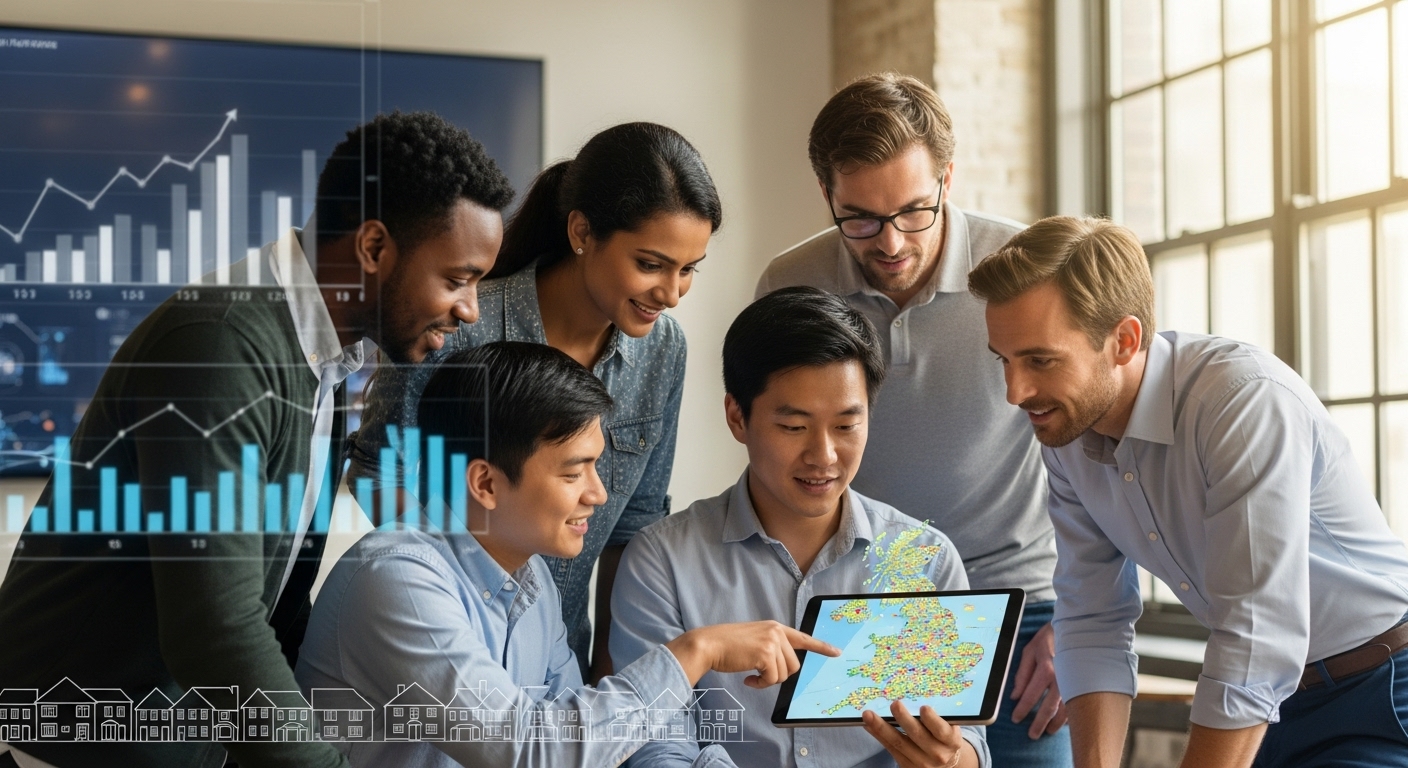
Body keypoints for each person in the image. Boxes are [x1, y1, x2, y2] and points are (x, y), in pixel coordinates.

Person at [0, 111, 514, 768]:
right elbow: (215, 627)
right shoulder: (221, 345)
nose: (470, 309)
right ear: (373, 247)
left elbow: (278, 598)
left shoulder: (326, 357)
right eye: (457, 279)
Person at [970, 215, 1408, 768]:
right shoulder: (1067, 433)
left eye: (1040, 360)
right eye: (1004, 360)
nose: (1015, 393)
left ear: (1124, 340)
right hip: (1272, 700)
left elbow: (1256, 633)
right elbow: (1092, 618)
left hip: (1378, 687)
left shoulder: (1241, 402)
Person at [296, 341, 839, 767]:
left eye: (595, 466)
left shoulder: (532, 579)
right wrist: (696, 651)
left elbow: (584, 744)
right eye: (574, 472)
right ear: (485, 483)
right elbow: (530, 751)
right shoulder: (397, 581)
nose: (598, 494)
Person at [754, 72, 1069, 764]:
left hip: (1020, 613)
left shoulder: (1025, 270)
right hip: (866, 613)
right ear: (827, 193)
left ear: (948, 179)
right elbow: (776, 456)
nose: (891, 243)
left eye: (914, 212)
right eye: (860, 219)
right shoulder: (790, 283)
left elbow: (1098, 445)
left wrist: (1084, 620)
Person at [350, 121, 720, 682]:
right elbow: (380, 472)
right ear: (581, 231)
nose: (671, 293)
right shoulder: (463, 323)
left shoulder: (663, 349)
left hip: (561, 666)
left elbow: (633, 528)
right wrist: (458, 606)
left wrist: (609, 676)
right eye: (650, 264)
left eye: (688, 269)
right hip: (444, 652)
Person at [611, 287, 990, 768]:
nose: (824, 456)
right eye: (794, 427)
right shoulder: (663, 561)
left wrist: (951, 759)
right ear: (737, 417)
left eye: (846, 426)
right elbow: (656, 746)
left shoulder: (927, 560)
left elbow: (967, 739)